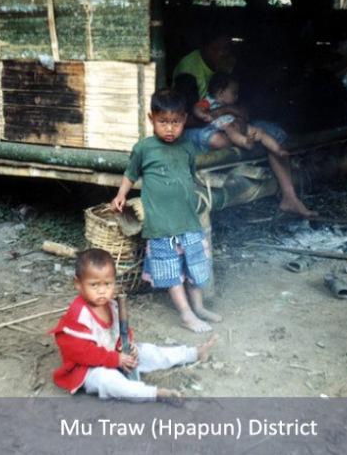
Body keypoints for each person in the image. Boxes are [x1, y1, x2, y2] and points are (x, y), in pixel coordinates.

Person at [111, 89, 221, 333]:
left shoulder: (188, 147)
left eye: (176, 122)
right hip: (161, 225)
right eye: (163, 122)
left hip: (188, 220)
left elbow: (190, 174)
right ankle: (185, 314)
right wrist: (121, 195)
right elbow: (130, 174)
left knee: (194, 265)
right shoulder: (144, 148)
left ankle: (198, 307)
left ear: (184, 119)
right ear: (152, 119)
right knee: (171, 270)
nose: (170, 129)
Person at [174, 36, 317, 218]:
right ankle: (240, 155)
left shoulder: (226, 68)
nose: (227, 54)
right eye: (223, 49)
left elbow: (243, 111)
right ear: (208, 47)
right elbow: (186, 118)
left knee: (274, 134)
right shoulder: (188, 71)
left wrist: (228, 112)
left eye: (229, 48)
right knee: (223, 140)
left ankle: (290, 198)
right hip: (203, 126)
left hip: (227, 120)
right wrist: (221, 120)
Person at [50, 248, 218, 402]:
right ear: (78, 284)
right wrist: (115, 359)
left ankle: (192, 354)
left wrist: (128, 345)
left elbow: (121, 332)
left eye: (107, 284)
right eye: (94, 285)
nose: (102, 291)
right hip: (88, 368)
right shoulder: (79, 316)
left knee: (148, 351)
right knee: (107, 381)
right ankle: (153, 393)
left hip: (116, 357)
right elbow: (84, 353)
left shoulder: (112, 306)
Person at [193, 73, 289, 158]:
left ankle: (278, 150)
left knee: (260, 132)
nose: (237, 96)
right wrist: (203, 115)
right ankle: (245, 143)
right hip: (226, 127)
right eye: (234, 93)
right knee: (232, 132)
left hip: (238, 124)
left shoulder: (232, 105)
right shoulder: (208, 101)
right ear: (221, 93)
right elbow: (197, 108)